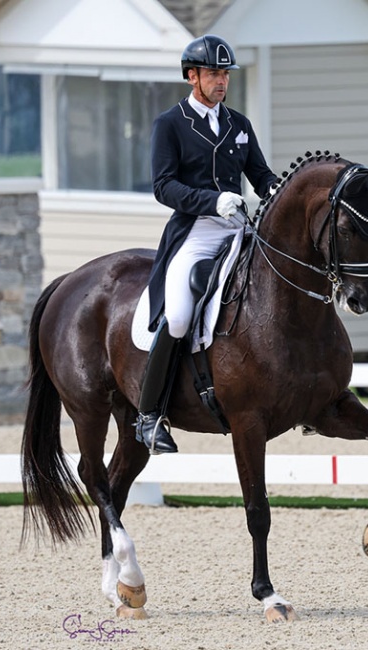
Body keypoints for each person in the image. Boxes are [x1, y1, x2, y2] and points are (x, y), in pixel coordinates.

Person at [135, 34, 277, 454]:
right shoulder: (171, 123)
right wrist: (211, 200)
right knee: (178, 317)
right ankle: (149, 415)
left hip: (237, 228)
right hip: (195, 231)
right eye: (213, 73)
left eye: (225, 74)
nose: (221, 81)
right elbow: (164, 187)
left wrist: (277, 192)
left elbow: (262, 176)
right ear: (192, 76)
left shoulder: (239, 125)